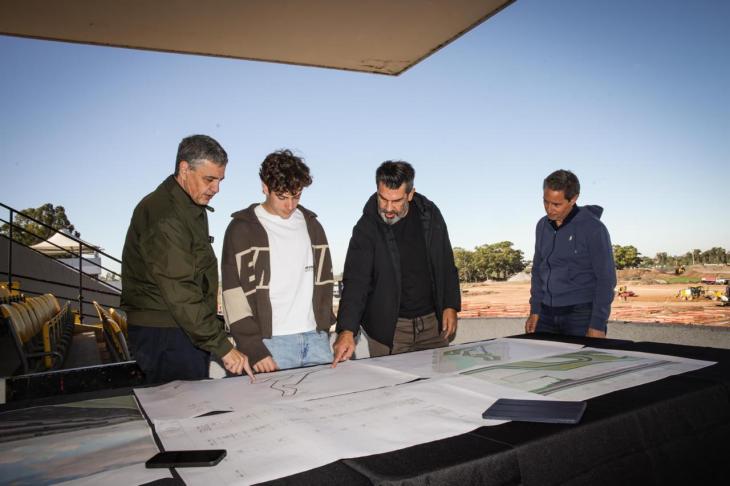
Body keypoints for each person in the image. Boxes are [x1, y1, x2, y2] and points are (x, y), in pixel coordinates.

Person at [121, 134, 253, 384]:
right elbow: (180, 289)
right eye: (209, 179)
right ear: (184, 169)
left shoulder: (186, 206)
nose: (216, 189)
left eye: (220, 180)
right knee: (185, 407)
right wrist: (222, 346)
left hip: (180, 328)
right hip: (167, 332)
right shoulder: (166, 214)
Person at [333, 160, 460, 364]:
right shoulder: (366, 228)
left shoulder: (430, 215)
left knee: (440, 382)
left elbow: (445, 261)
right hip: (389, 331)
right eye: (383, 199)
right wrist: (346, 330)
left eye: (397, 201)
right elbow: (356, 282)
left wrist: (450, 305)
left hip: (433, 326)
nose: (388, 208)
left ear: (410, 194)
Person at [221, 149, 335, 373]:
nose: (290, 205)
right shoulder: (241, 229)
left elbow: (325, 281)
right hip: (270, 344)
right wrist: (252, 347)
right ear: (265, 187)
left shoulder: (312, 225)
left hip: (316, 339)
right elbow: (232, 294)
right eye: (282, 197)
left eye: (296, 196)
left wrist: (323, 327)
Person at [525, 169, 616, 338]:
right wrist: (535, 310)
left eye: (556, 204)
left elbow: (606, 279)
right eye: (545, 202)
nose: (549, 209)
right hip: (545, 314)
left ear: (573, 199)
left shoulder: (593, 228)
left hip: (580, 315)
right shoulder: (542, 226)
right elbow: (537, 270)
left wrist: (597, 324)